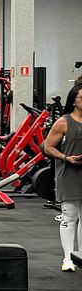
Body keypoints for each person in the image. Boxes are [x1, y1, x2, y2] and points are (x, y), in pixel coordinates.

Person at [44, 87, 82, 272]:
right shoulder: (63, 122)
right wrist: (66, 158)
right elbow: (48, 147)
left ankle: (80, 256)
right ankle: (68, 258)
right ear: (73, 100)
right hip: (69, 173)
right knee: (70, 216)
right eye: (81, 98)